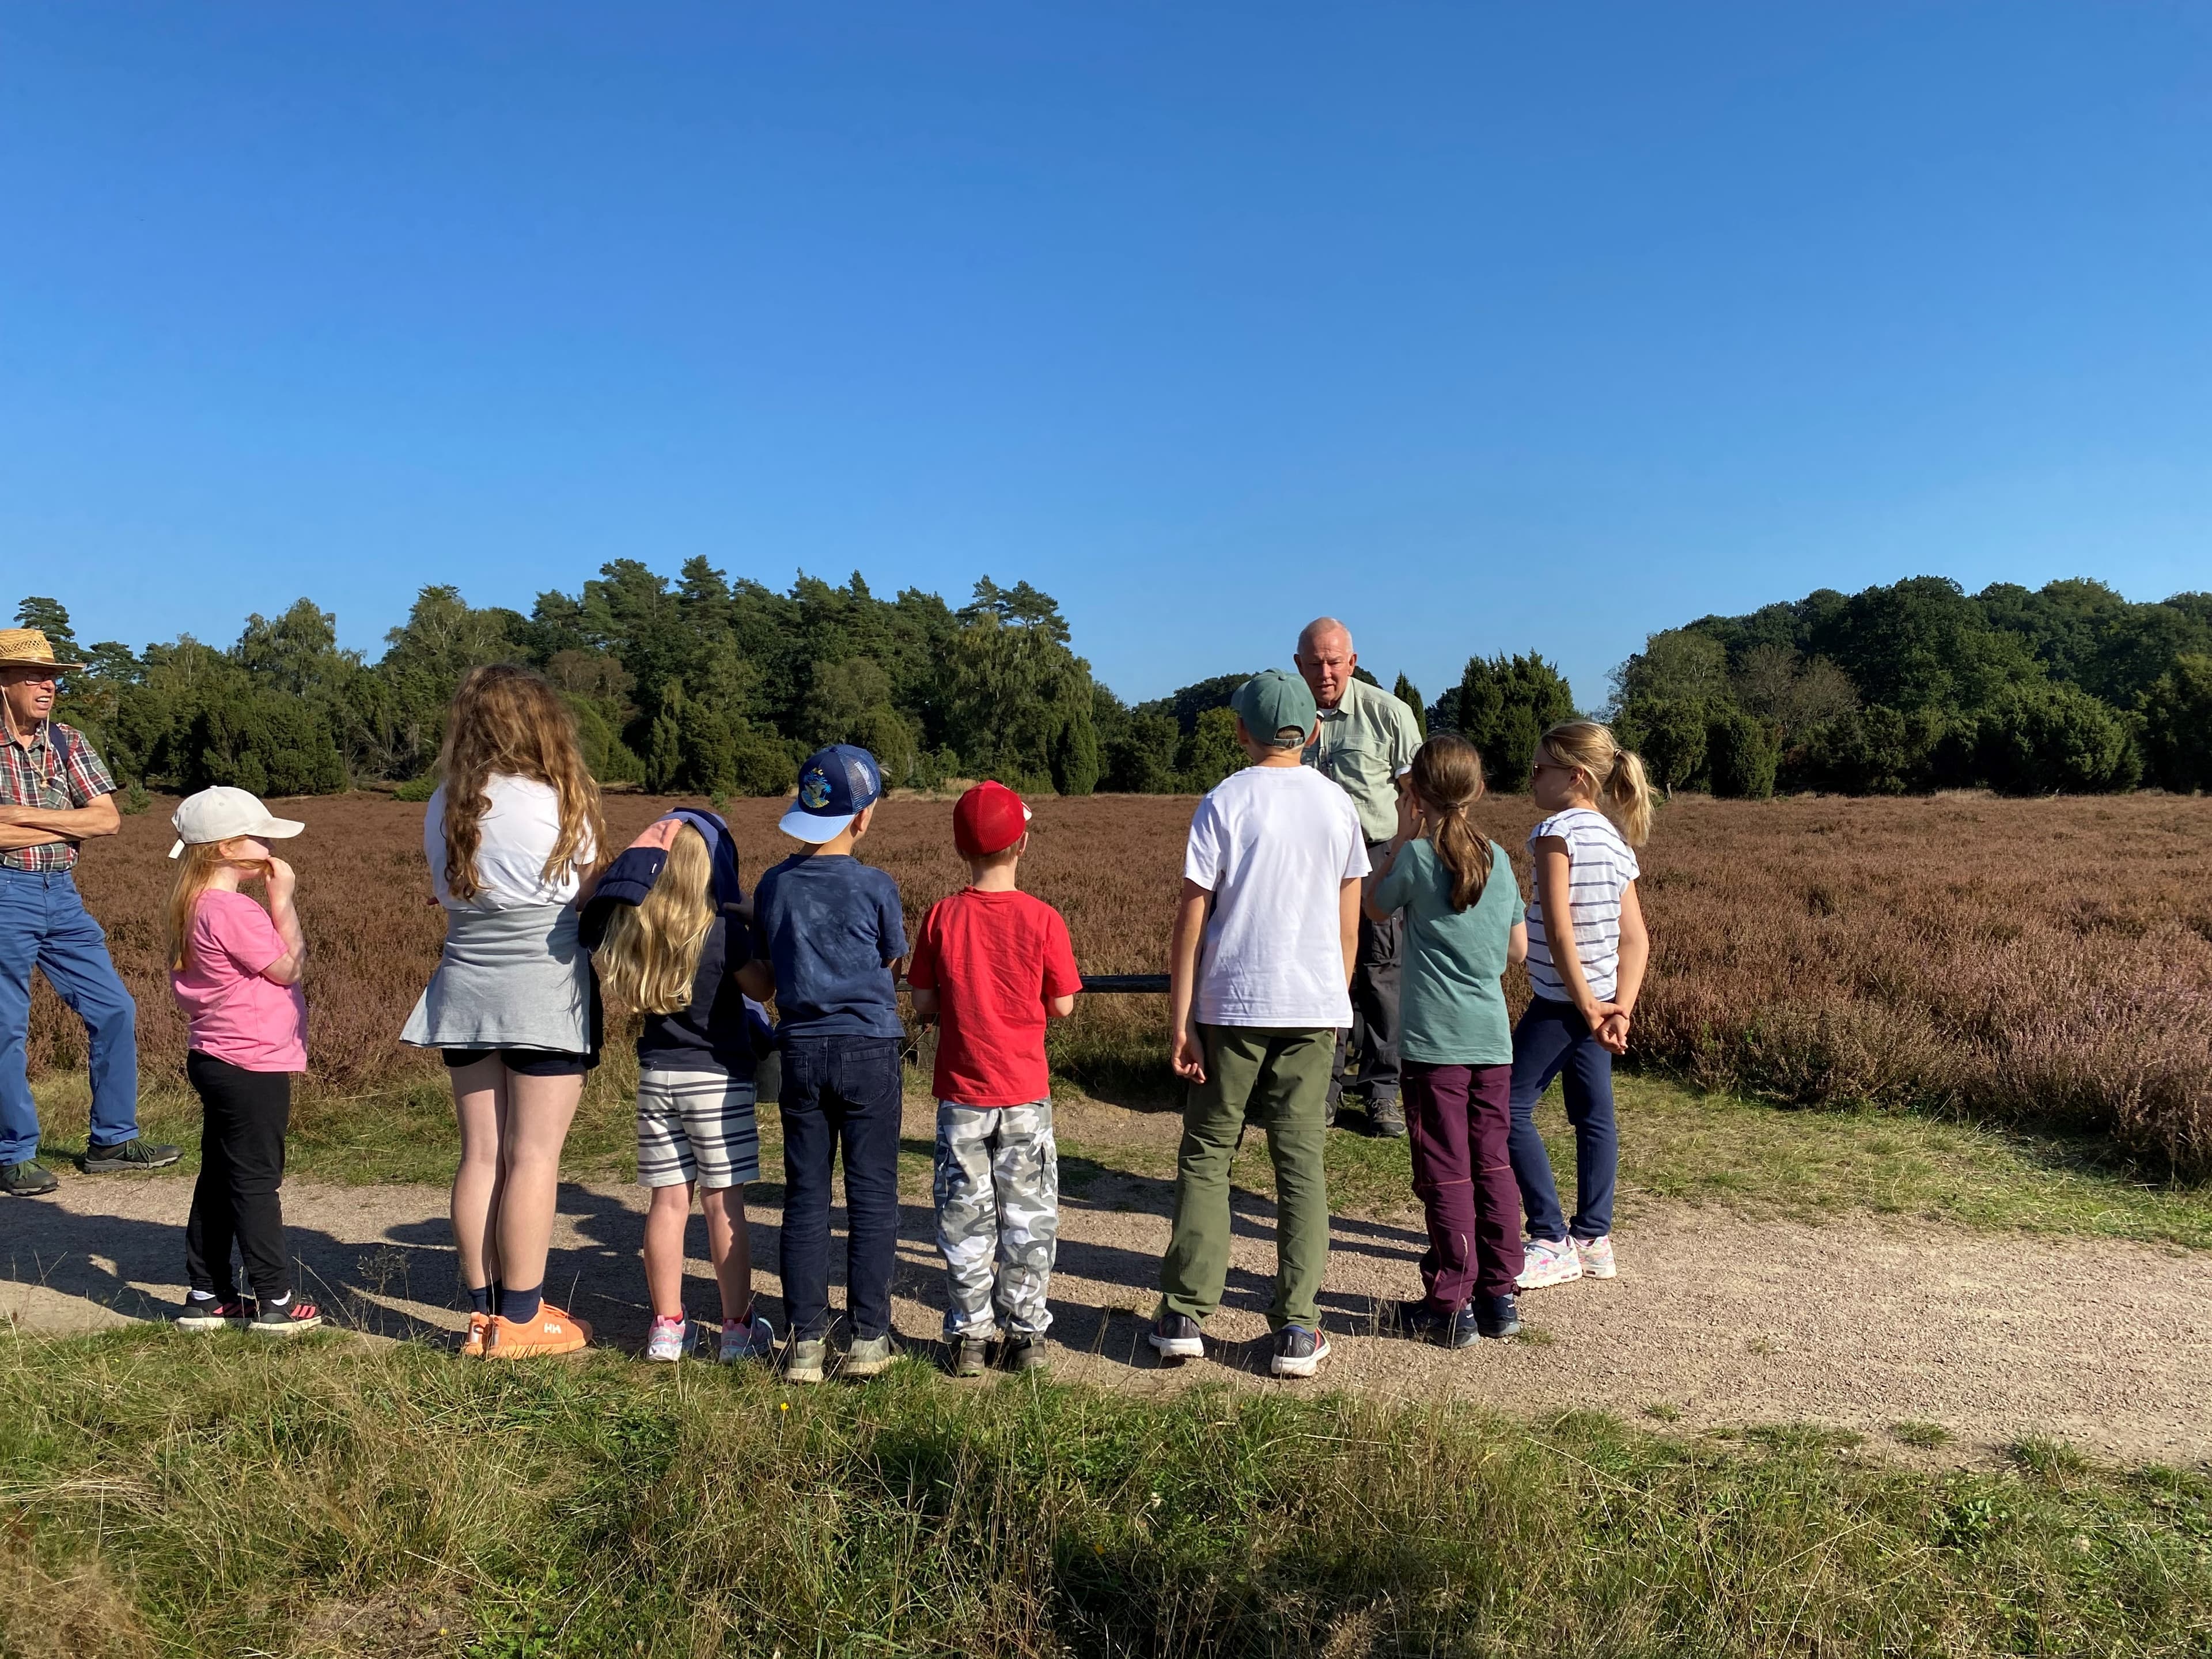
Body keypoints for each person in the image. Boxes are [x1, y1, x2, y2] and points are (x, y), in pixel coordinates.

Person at [1153, 669, 1368, 1380]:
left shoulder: (1222, 802)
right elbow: (1348, 925)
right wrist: (1333, 1001)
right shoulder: (1339, 806)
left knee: (1209, 1154)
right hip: (1313, 1007)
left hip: (1230, 1005)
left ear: (1241, 731)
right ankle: (1298, 1329)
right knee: (1300, 1164)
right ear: (1310, 732)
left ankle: (1185, 1313)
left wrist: (1180, 1018)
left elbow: (1193, 920)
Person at [402, 665, 605, 1359]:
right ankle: (523, 1319)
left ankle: (483, 1319)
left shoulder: (445, 801)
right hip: (543, 985)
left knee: (481, 1154)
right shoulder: (559, 797)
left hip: (464, 981)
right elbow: (581, 898)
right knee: (534, 1156)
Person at [584, 809, 778, 1365]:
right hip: (718, 1081)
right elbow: (762, 988)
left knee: (667, 1204)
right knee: (724, 1205)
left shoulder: (639, 927)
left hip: (658, 1079)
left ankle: (667, 1328)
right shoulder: (723, 932)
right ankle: (737, 1329)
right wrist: (755, 929)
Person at [742, 744, 907, 1385]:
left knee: (805, 1197)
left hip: (801, 1051)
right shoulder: (875, 886)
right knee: (871, 1196)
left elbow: (763, 981)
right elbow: (892, 965)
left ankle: (804, 1343)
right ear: (862, 818)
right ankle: (869, 1339)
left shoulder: (773, 885)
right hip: (869, 1049)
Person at [907, 782, 1082, 1377]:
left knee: (964, 1216)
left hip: (961, 1095)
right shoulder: (1044, 919)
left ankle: (968, 1338)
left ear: (960, 849)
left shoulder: (941, 917)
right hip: (1025, 1095)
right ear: (1023, 843)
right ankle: (1027, 1336)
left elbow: (924, 1000)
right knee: (1029, 1218)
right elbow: (1062, 1006)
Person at [0, 627, 177, 1197]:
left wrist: (19, 817)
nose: (49, 686)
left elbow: (106, 820)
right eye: (36, 677)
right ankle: (14, 1152)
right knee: (6, 1026)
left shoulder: (68, 742)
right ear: (3, 682)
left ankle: (112, 1140)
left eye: (54, 678)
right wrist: (60, 817)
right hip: (6, 891)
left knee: (116, 1008)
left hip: (63, 893)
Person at [1362, 737, 1528, 1347]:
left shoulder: (1417, 859)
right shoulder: (1502, 860)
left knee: (1445, 1171)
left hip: (1435, 1044)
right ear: (1479, 790)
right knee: (1492, 1164)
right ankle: (1500, 1297)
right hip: (1492, 1040)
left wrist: (1405, 836)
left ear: (1418, 795)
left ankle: (1450, 1304)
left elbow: (1377, 910)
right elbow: (1515, 952)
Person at [166, 787, 322, 1334]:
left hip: (215, 1055)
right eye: (260, 836)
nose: (270, 844)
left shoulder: (193, 904)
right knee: (257, 1179)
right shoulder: (234, 908)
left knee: (220, 1175)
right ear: (227, 847)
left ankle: (206, 1294)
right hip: (252, 1061)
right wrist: (283, 899)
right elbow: (288, 968)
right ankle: (274, 1300)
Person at [1508, 719, 1654, 1291]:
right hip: (1597, 1006)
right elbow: (1636, 938)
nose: (1531, 779)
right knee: (1594, 1118)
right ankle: (1594, 1239)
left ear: (1575, 776)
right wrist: (1621, 1007)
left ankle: (1548, 1238)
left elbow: (1559, 932)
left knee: (1505, 1110)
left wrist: (1588, 1006)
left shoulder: (1555, 832)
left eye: (1539, 768)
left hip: (1561, 1006)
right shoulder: (1616, 841)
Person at [1293, 618, 1421, 1138]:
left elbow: (1415, 796)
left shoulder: (1389, 714)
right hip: (1306, 863)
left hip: (1374, 859)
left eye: (1334, 661)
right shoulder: (1286, 715)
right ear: (1299, 664)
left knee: (1380, 973)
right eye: (1315, 663)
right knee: (1320, 975)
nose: (1325, 672)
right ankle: (1321, 1090)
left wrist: (1404, 865)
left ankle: (1382, 1094)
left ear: (1352, 660)